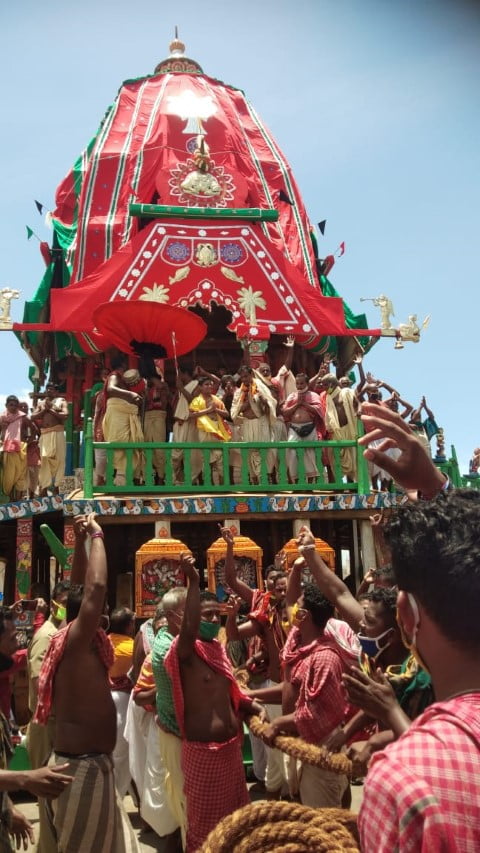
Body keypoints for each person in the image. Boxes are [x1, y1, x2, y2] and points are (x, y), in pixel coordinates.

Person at [34, 514, 140, 852]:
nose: (104, 611)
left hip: (90, 764)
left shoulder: (79, 638)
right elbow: (93, 589)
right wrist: (97, 535)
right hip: (81, 770)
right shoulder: (77, 639)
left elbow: (78, 586)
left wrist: (79, 544)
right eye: (101, 609)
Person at [164, 554, 264, 852]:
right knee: (206, 835)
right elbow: (190, 625)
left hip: (231, 752)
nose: (210, 620)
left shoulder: (217, 649)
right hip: (203, 756)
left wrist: (251, 708)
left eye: (214, 615)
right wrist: (194, 581)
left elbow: (230, 694)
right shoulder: (184, 651)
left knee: (236, 830)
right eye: (204, 614)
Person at [262, 580, 350, 808]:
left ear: (304, 614)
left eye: (296, 605)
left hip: (321, 751)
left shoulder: (325, 658)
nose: (291, 609)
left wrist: (279, 722)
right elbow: (291, 689)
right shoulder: (300, 648)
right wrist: (250, 695)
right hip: (302, 744)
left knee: (324, 826)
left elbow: (315, 714)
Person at [131, 605, 181, 850]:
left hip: (186, 729)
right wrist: (161, 688)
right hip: (160, 724)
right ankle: (168, 833)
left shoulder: (188, 653)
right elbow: (139, 695)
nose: (164, 635)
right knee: (160, 781)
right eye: (159, 630)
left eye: (168, 629)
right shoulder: (152, 659)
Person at [26, 580, 70, 853]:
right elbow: (39, 681)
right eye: (63, 603)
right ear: (54, 603)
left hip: (55, 721)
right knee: (48, 792)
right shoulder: (47, 635)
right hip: (47, 722)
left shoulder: (60, 632)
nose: (66, 608)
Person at [151, 586, 188, 847]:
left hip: (175, 730)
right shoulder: (169, 648)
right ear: (176, 615)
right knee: (186, 798)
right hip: (176, 731)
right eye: (194, 610)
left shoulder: (167, 636)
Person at [230, 365, 277, 485]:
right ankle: (254, 480)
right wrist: (246, 403)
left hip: (259, 423)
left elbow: (270, 405)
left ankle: (264, 480)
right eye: (242, 377)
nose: (244, 379)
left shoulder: (260, 387)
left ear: (251, 374)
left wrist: (264, 401)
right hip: (246, 424)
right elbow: (235, 411)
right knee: (249, 453)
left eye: (246, 376)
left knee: (262, 451)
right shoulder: (240, 392)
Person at [102, 357, 144, 486]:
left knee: (130, 444)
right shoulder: (114, 375)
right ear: (123, 365)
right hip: (117, 413)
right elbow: (110, 389)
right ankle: (119, 478)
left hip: (124, 413)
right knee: (119, 444)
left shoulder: (123, 379)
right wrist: (130, 395)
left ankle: (124, 478)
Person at [108, 607, 136, 797]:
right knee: (123, 755)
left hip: (103, 700)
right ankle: (116, 799)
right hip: (123, 702)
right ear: (129, 626)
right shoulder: (133, 647)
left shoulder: (103, 642)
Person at [282, 373, 325, 483]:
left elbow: (319, 410)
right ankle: (296, 483)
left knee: (310, 454)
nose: (299, 386)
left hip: (309, 427)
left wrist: (305, 404)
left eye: (302, 383)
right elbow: (285, 412)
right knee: (291, 452)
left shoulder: (313, 395)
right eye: (297, 383)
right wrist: (297, 404)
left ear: (307, 383)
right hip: (294, 428)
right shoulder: (292, 396)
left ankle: (310, 484)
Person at [188, 376, 231, 485]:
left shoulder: (217, 399)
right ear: (200, 387)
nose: (209, 386)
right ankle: (209, 485)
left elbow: (227, 414)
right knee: (206, 458)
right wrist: (208, 410)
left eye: (211, 384)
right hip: (204, 431)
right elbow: (191, 415)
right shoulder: (197, 400)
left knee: (220, 458)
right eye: (206, 384)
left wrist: (215, 409)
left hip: (217, 429)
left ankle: (222, 486)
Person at [31, 385, 68, 496]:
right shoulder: (41, 403)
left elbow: (65, 415)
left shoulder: (61, 401)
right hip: (45, 434)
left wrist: (51, 410)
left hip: (58, 433)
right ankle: (44, 487)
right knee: (44, 460)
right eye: (47, 388)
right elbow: (33, 416)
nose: (48, 390)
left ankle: (56, 486)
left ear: (56, 392)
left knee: (60, 459)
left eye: (51, 389)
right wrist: (44, 411)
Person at [321, 373, 359, 481]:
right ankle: (339, 484)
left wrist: (359, 409)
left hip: (349, 429)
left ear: (331, 384)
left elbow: (358, 402)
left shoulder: (346, 392)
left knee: (353, 459)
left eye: (324, 385)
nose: (323, 387)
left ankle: (351, 485)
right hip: (337, 433)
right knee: (336, 459)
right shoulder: (328, 397)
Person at [171, 365, 202, 485]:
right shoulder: (181, 388)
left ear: (184, 374)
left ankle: (190, 481)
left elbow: (194, 402)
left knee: (191, 455)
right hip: (179, 424)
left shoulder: (196, 385)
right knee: (175, 455)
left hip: (189, 423)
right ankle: (173, 480)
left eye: (179, 373)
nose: (177, 377)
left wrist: (182, 389)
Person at [0, 396, 31, 500]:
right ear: (6, 405)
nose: (13, 407)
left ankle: (17, 501)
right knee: (8, 477)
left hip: (20, 448)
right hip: (7, 448)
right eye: (11, 405)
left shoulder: (22, 417)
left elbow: (34, 428)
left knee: (20, 475)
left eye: (15, 405)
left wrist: (28, 441)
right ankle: (8, 500)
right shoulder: (2, 417)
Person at [144, 375, 170, 485]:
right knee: (146, 448)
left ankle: (161, 477)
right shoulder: (146, 389)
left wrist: (151, 373)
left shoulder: (163, 387)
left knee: (159, 448)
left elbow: (164, 397)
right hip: (147, 416)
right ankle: (149, 477)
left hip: (159, 415)